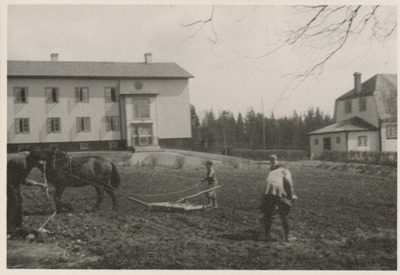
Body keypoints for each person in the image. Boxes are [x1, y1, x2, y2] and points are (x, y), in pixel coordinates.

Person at [260, 166, 297, 242]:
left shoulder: (272, 172)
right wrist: (291, 195)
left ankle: (266, 236)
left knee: (268, 213)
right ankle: (288, 236)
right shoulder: (285, 170)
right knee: (284, 213)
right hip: (277, 188)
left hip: (267, 190)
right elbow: (288, 182)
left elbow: (269, 182)